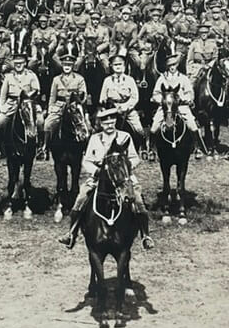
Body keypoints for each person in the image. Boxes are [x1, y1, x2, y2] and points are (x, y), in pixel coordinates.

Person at [58, 106, 153, 251]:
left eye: (111, 122)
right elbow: (87, 160)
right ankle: (71, 233)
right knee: (81, 198)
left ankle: (145, 235)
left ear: (115, 122)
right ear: (101, 124)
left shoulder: (124, 137)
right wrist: (96, 171)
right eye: (105, 123)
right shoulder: (95, 139)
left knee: (137, 200)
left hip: (122, 177)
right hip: (99, 179)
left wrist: (126, 168)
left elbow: (135, 158)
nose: (109, 125)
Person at [150, 46, 199, 144]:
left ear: (177, 65)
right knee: (154, 126)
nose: (172, 67)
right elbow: (155, 93)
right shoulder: (162, 78)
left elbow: (190, 93)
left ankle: (197, 147)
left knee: (192, 125)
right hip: (166, 107)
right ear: (167, 66)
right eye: (170, 65)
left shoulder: (183, 78)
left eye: (174, 65)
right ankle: (151, 148)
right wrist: (163, 100)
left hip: (181, 106)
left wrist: (184, 99)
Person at [44, 46, 89, 152]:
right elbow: (52, 96)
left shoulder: (79, 79)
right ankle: (45, 147)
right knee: (47, 125)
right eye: (65, 65)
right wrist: (51, 108)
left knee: (85, 127)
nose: (67, 67)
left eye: (69, 65)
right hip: (59, 105)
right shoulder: (56, 79)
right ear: (62, 65)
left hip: (74, 106)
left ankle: (85, 148)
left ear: (73, 66)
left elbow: (84, 95)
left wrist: (78, 103)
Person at [0, 52, 44, 149]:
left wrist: (27, 97)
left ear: (25, 63)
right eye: (16, 63)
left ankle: (40, 146)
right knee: (0, 122)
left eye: (21, 63)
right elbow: (3, 94)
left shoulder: (31, 75)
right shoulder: (9, 77)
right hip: (11, 103)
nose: (18, 65)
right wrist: (1, 107)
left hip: (28, 104)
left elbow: (36, 91)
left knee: (40, 121)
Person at [99, 50, 143, 140]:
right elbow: (102, 97)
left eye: (120, 64)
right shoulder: (107, 80)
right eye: (115, 65)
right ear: (111, 66)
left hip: (127, 110)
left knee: (139, 130)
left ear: (124, 66)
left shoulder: (130, 80)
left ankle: (143, 149)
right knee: (99, 129)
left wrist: (126, 107)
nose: (118, 67)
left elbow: (135, 97)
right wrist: (109, 107)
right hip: (111, 110)